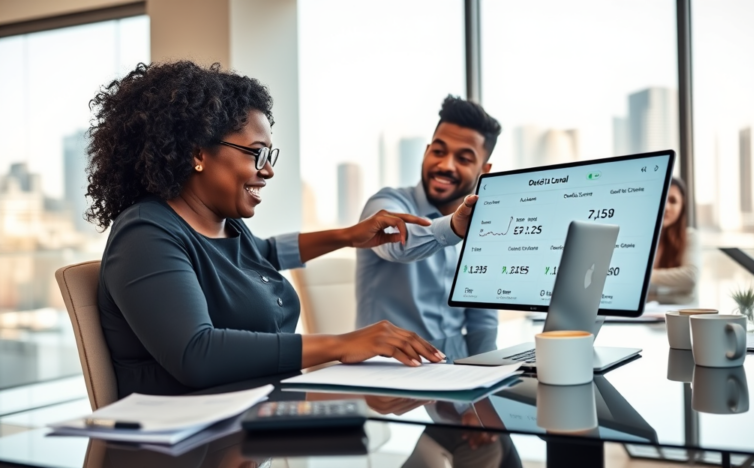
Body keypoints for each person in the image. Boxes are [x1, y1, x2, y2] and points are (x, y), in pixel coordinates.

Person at [88, 61, 450, 399]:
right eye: (256, 153)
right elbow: (196, 353)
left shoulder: (228, 227)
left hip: (255, 419)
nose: (268, 171)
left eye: (269, 157)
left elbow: (267, 255)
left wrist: (348, 237)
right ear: (198, 154)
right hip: (185, 444)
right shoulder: (145, 234)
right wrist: (341, 344)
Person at [356, 96, 502, 339]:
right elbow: (397, 244)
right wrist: (453, 227)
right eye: (438, 151)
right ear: (426, 152)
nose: (446, 165)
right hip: (387, 370)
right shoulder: (384, 205)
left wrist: (489, 372)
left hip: (455, 368)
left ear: (484, 170)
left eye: (464, 159)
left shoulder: (484, 226)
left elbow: (482, 320)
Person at [649, 177, 700, 303]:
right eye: (662, 198)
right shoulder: (642, 240)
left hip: (681, 315)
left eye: (673, 201)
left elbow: (690, 277)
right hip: (646, 315)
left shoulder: (690, 236)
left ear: (682, 206)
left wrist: (646, 276)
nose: (666, 207)